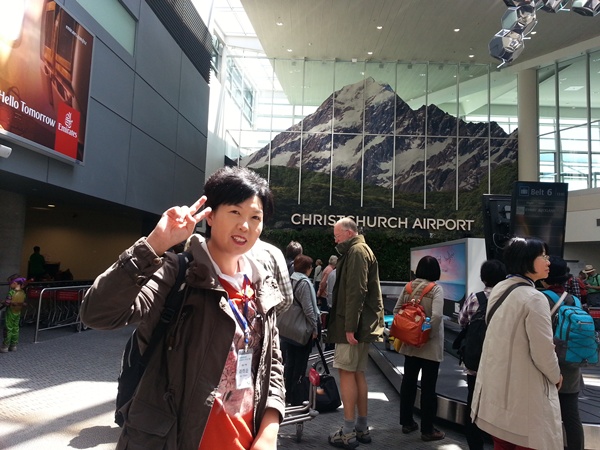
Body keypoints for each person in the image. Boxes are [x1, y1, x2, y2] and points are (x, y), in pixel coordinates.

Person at [80, 166, 285, 450]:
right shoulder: (177, 274)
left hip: (244, 441)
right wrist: (154, 244)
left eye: (255, 217)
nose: (245, 226)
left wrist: (269, 431)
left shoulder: (261, 287)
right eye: (235, 212)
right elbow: (96, 314)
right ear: (210, 216)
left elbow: (272, 365)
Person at [471, 237, 563, 450]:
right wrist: (556, 376)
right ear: (526, 260)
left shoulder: (500, 289)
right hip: (524, 400)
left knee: (502, 444)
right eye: (543, 256)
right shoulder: (534, 298)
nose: (548, 261)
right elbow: (543, 352)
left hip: (497, 394)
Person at [326, 217, 384, 449]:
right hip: (360, 325)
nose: (335, 240)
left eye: (337, 235)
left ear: (349, 233)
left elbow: (356, 291)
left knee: (347, 373)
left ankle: (348, 432)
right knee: (358, 373)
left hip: (350, 326)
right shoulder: (360, 250)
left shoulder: (356, 252)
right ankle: (361, 427)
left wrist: (349, 327)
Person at [393, 255, 446, 442]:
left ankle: (407, 422)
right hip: (430, 346)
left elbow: (396, 311)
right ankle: (427, 429)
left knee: (408, 382)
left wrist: (410, 331)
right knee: (428, 388)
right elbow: (437, 316)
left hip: (410, 345)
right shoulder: (436, 289)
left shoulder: (408, 287)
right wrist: (426, 335)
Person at [457, 259, 507, 450]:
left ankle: (474, 444)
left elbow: (462, 321)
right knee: (499, 404)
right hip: (500, 364)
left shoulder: (475, 298)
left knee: (473, 402)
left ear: (483, 278)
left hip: (475, 362)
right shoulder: (508, 299)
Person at [540, 255, 585, 450]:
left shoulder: (541, 299)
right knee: (572, 417)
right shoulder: (575, 300)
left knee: (544, 417)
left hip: (547, 367)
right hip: (572, 366)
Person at [278, 254, 320, 405]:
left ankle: (287, 395)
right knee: (300, 364)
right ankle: (297, 398)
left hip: (288, 328)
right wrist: (315, 328)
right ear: (308, 269)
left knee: (290, 362)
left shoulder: (289, 280)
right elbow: (309, 309)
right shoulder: (304, 283)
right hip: (301, 330)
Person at [251, 238, 294, 314]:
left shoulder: (229, 252)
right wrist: (269, 314)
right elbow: (287, 298)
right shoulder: (274, 253)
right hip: (264, 314)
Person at [1, 276, 27, 353]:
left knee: (8, 328)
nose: (9, 285)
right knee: (16, 328)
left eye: (10, 283)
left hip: (10, 312)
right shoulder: (22, 292)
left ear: (15, 283)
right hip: (18, 312)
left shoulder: (11, 292)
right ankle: (13, 345)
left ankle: (5, 346)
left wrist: (2, 301)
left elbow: (7, 303)